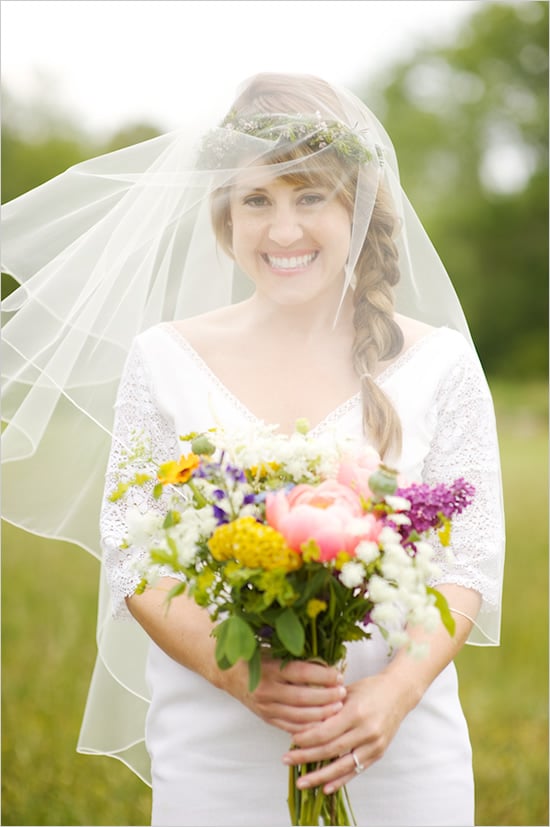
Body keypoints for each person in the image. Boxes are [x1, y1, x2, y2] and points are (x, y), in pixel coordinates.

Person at [1, 72, 505, 826]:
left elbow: (467, 560)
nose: (283, 229)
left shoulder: (440, 363)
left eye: (310, 197)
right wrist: (242, 674)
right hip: (219, 747)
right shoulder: (163, 358)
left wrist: (390, 698)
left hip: (399, 744)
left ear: (359, 206)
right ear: (224, 217)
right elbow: (132, 550)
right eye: (256, 200)